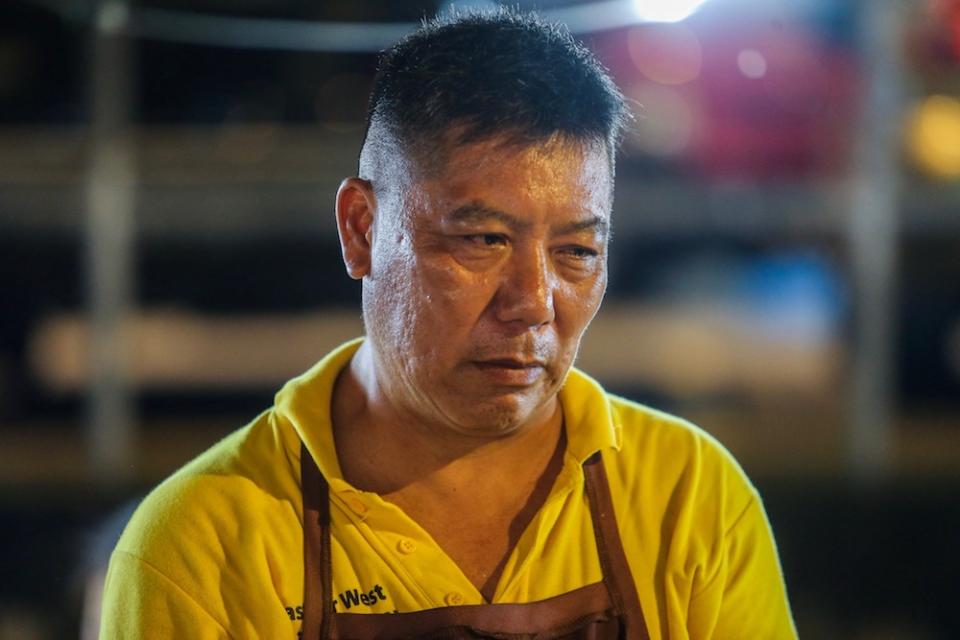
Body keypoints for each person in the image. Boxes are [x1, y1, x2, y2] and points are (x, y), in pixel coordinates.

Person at [100, 9, 797, 639]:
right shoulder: (203, 547)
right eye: (483, 240)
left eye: (577, 252)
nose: (533, 301)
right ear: (361, 229)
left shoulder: (690, 499)